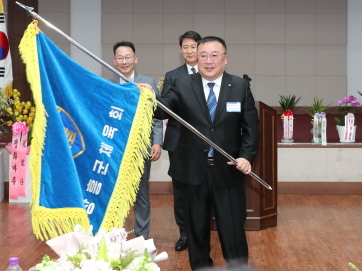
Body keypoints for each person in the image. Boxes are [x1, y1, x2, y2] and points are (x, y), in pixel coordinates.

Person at [156, 36, 260, 270]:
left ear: (225, 59)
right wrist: (144, 98)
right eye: (203, 55)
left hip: (228, 172)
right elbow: (161, 111)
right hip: (192, 173)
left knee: (233, 231)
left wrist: (246, 156)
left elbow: (251, 129)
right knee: (196, 231)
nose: (209, 60)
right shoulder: (182, 84)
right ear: (196, 58)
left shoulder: (240, 86)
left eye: (215, 55)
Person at [110, 41, 163, 240]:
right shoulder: (109, 85)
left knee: (141, 193)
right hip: (116, 148)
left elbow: (156, 116)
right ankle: (115, 235)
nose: (125, 61)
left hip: (141, 147)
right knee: (116, 193)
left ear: (135, 59)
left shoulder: (148, 82)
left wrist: (156, 142)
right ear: (114, 61)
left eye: (128, 57)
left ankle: (141, 236)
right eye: (120, 58)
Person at [161, 30, 202, 251]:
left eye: (193, 46)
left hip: (204, 142)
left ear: (200, 48)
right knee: (181, 190)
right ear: (181, 50)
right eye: (185, 47)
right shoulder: (173, 75)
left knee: (204, 187)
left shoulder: (210, 72)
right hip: (178, 142)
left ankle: (202, 232)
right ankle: (184, 234)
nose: (189, 51)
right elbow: (165, 109)